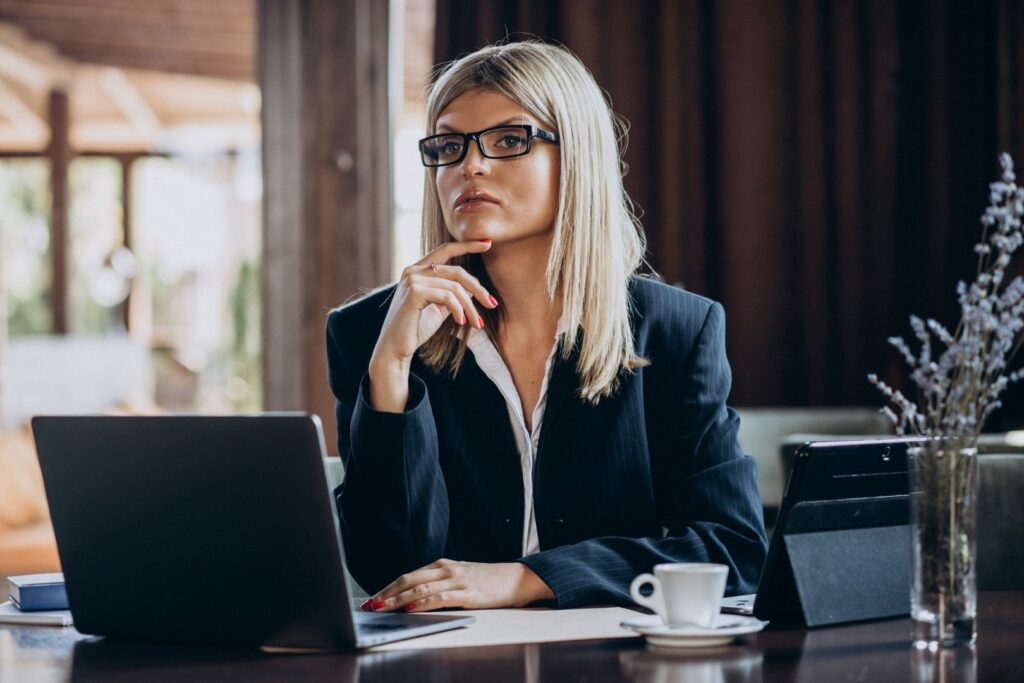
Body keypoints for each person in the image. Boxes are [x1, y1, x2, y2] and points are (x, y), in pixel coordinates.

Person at [325, 41, 767, 614]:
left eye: (510, 140)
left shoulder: (678, 330)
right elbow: (388, 569)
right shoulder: (369, 333)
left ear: (576, 156)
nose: (471, 165)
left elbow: (732, 551)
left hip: (617, 660)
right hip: (451, 662)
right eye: (449, 145)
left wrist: (527, 578)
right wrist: (390, 371)